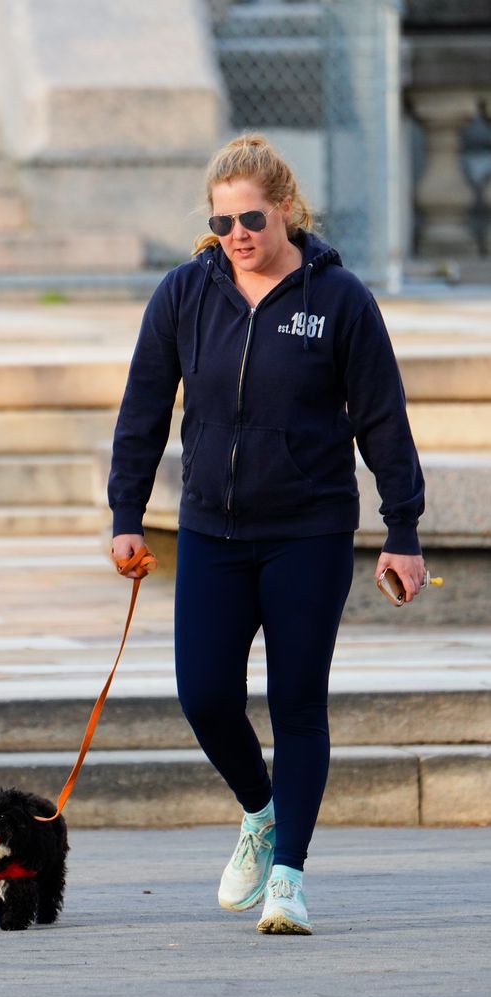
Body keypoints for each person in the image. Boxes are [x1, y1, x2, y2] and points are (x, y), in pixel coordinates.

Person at [108, 134, 426, 936]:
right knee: (205, 694)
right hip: (211, 530)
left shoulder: (339, 298)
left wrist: (404, 529)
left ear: (284, 208)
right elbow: (143, 413)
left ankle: (289, 876)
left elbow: (382, 418)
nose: (239, 234)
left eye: (252, 216)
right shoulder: (184, 294)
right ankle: (261, 811)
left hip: (308, 530)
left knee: (296, 702)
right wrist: (124, 515)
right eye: (223, 222)